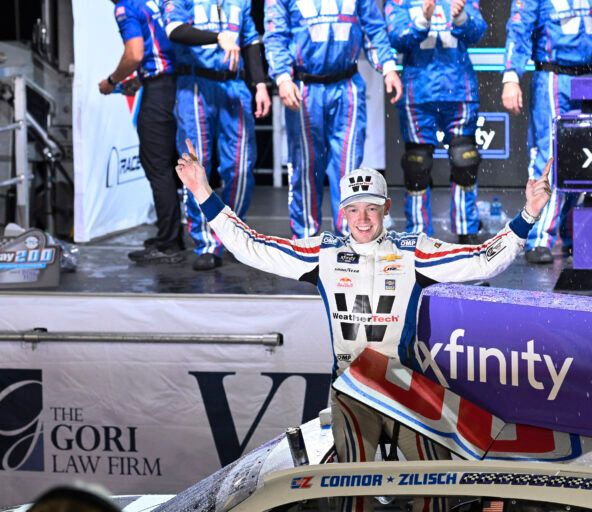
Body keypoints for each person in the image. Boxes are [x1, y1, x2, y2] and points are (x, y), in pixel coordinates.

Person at [175, 139, 552, 510]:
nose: (363, 219)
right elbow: (251, 246)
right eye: (354, 210)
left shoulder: (412, 250)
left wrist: (529, 214)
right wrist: (202, 190)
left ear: (386, 208)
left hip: (406, 383)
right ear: (342, 213)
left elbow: (483, 260)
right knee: (351, 486)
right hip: (352, 384)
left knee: (436, 488)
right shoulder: (323, 253)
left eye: (371, 208)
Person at [263, 0, 403, 239]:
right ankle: (306, 240)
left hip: (346, 85)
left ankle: (348, 239)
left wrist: (389, 67)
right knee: (306, 167)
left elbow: (373, 27)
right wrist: (283, 77)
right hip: (305, 86)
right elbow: (276, 34)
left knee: (348, 168)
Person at [502, 0, 592, 264]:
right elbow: (519, 28)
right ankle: (538, 237)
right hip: (555, 77)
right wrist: (511, 76)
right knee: (551, 155)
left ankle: (575, 234)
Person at [162, 0, 271, 271]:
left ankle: (233, 234)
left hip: (234, 85)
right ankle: (206, 243)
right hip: (195, 86)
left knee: (241, 166)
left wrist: (260, 84)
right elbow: (174, 29)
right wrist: (217, 37)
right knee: (196, 165)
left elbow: (250, 41)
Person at [385, 0, 486, 244]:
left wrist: (461, 17)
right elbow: (396, 38)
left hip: (459, 89)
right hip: (417, 91)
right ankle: (417, 234)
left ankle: (466, 230)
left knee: (465, 159)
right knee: (416, 165)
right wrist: (423, 18)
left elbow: (478, 32)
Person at [100, 0, 184, 264]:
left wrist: (112, 80)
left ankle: (169, 243)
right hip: (181, 84)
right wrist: (140, 79)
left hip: (161, 91)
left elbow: (134, 54)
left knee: (157, 165)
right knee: (176, 164)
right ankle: (181, 237)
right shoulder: (157, 3)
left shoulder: (125, 8)